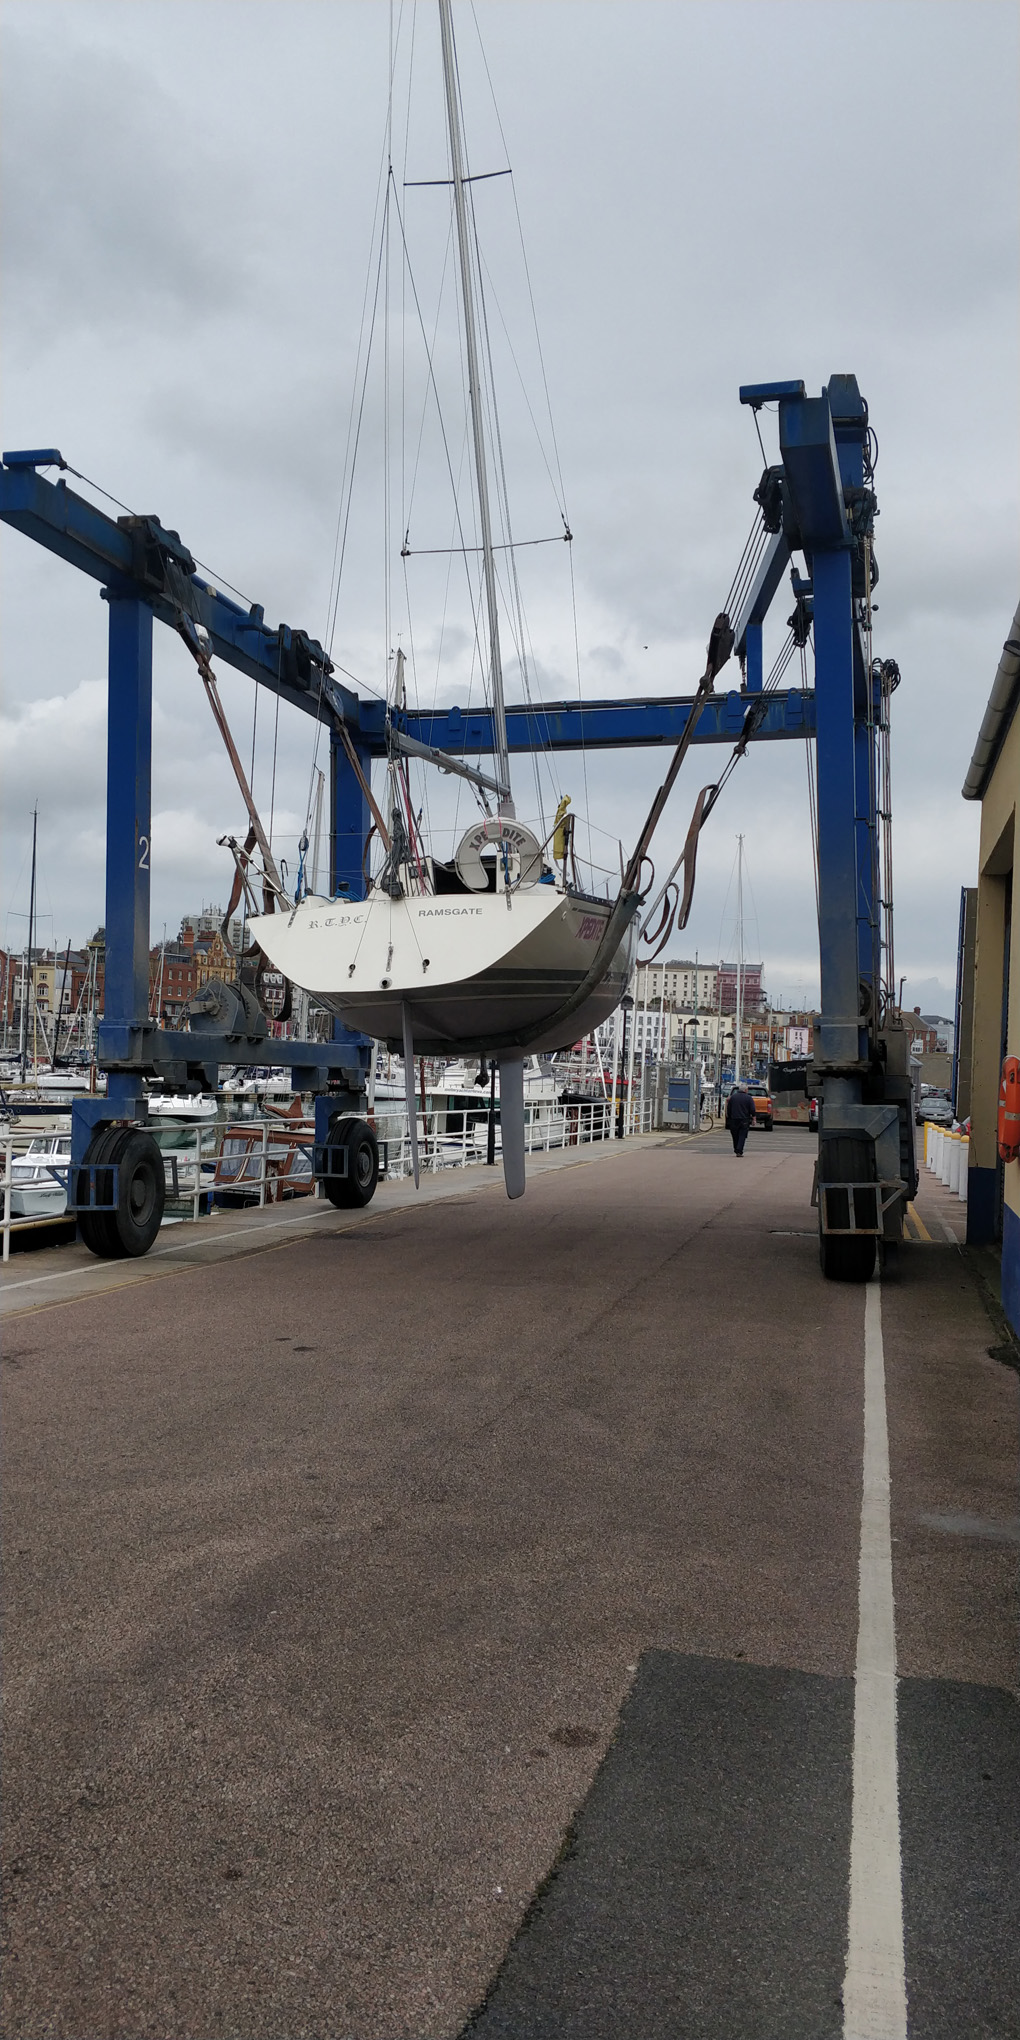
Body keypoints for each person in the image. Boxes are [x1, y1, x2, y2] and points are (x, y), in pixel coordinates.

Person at [724, 1082, 756, 1156]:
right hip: (744, 1119)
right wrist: (754, 1118)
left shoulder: (733, 1097)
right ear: (745, 1090)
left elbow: (729, 1109)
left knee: (735, 1135)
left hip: (734, 1119)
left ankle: (736, 1148)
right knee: (742, 1135)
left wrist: (729, 1117)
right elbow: (752, 1109)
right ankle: (739, 1150)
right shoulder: (749, 1098)